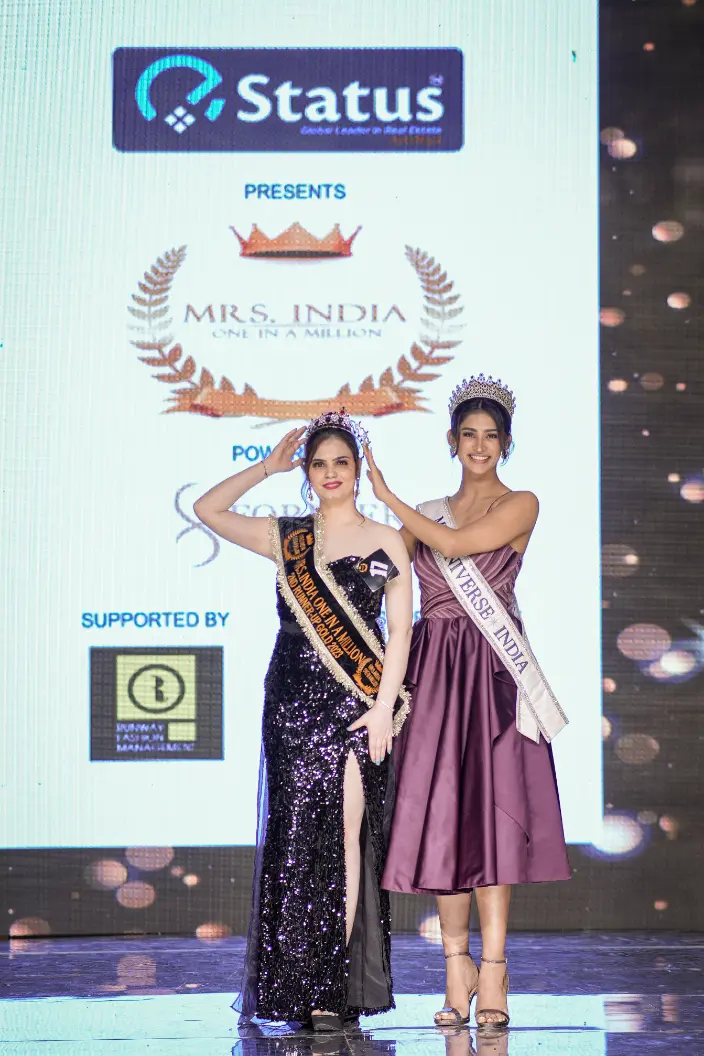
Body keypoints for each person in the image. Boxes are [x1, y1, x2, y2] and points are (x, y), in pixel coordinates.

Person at [194, 410, 413, 1030]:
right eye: (319, 464)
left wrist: (382, 708)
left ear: (358, 469)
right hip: (290, 701)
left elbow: (400, 633)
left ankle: (328, 989)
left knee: (344, 839)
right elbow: (209, 509)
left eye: (341, 462)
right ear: (308, 473)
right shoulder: (286, 536)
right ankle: (294, 985)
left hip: (356, 703)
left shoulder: (386, 540)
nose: (331, 473)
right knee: (294, 841)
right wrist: (266, 467)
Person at [365, 375, 570, 1030]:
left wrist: (386, 496)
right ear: (451, 441)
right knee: (444, 822)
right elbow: (380, 571)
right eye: (469, 435)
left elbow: (453, 547)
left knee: (493, 821)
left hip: (492, 674)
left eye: (491, 436)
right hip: (433, 674)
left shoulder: (521, 503)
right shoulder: (427, 511)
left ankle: (496, 971)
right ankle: (456, 969)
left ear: (505, 443)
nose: (479, 446)